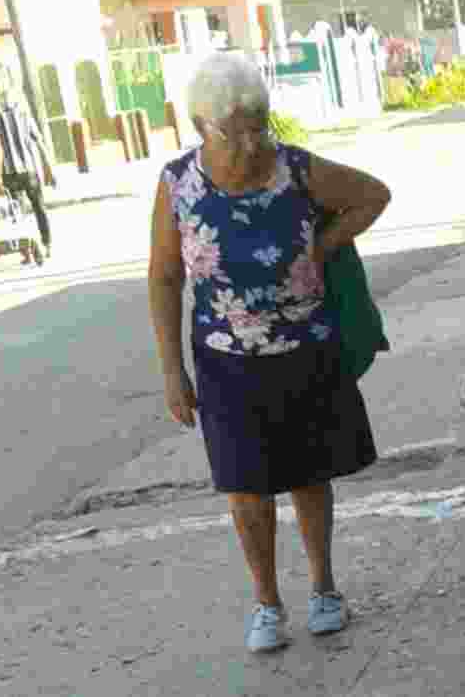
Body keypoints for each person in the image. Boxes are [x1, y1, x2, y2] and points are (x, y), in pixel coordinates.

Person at [148, 52, 391, 653]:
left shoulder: (297, 170)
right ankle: (266, 603)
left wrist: (323, 246)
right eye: (238, 130)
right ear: (202, 125)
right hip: (225, 360)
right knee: (245, 487)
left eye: (261, 125)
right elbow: (163, 278)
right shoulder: (178, 184)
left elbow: (373, 195)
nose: (254, 141)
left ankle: (324, 590)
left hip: (304, 350)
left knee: (309, 476)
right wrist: (172, 372)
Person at [0, 94, 56, 259]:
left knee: (17, 213)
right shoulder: (25, 116)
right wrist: (49, 170)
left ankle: (26, 251)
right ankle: (47, 245)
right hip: (29, 171)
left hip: (10, 175)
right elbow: (39, 142)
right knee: (39, 208)